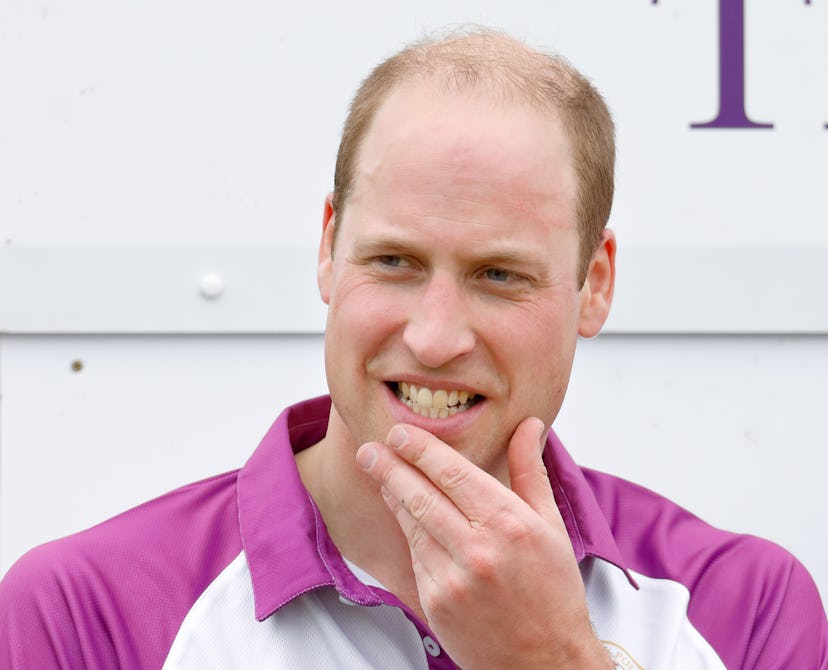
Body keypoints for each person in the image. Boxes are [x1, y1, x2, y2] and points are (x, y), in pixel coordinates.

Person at [1, 28, 826, 670]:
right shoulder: (87, 612)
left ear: (594, 285)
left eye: (499, 275)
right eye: (394, 261)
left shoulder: (740, 607)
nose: (433, 337)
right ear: (328, 248)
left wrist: (552, 659)